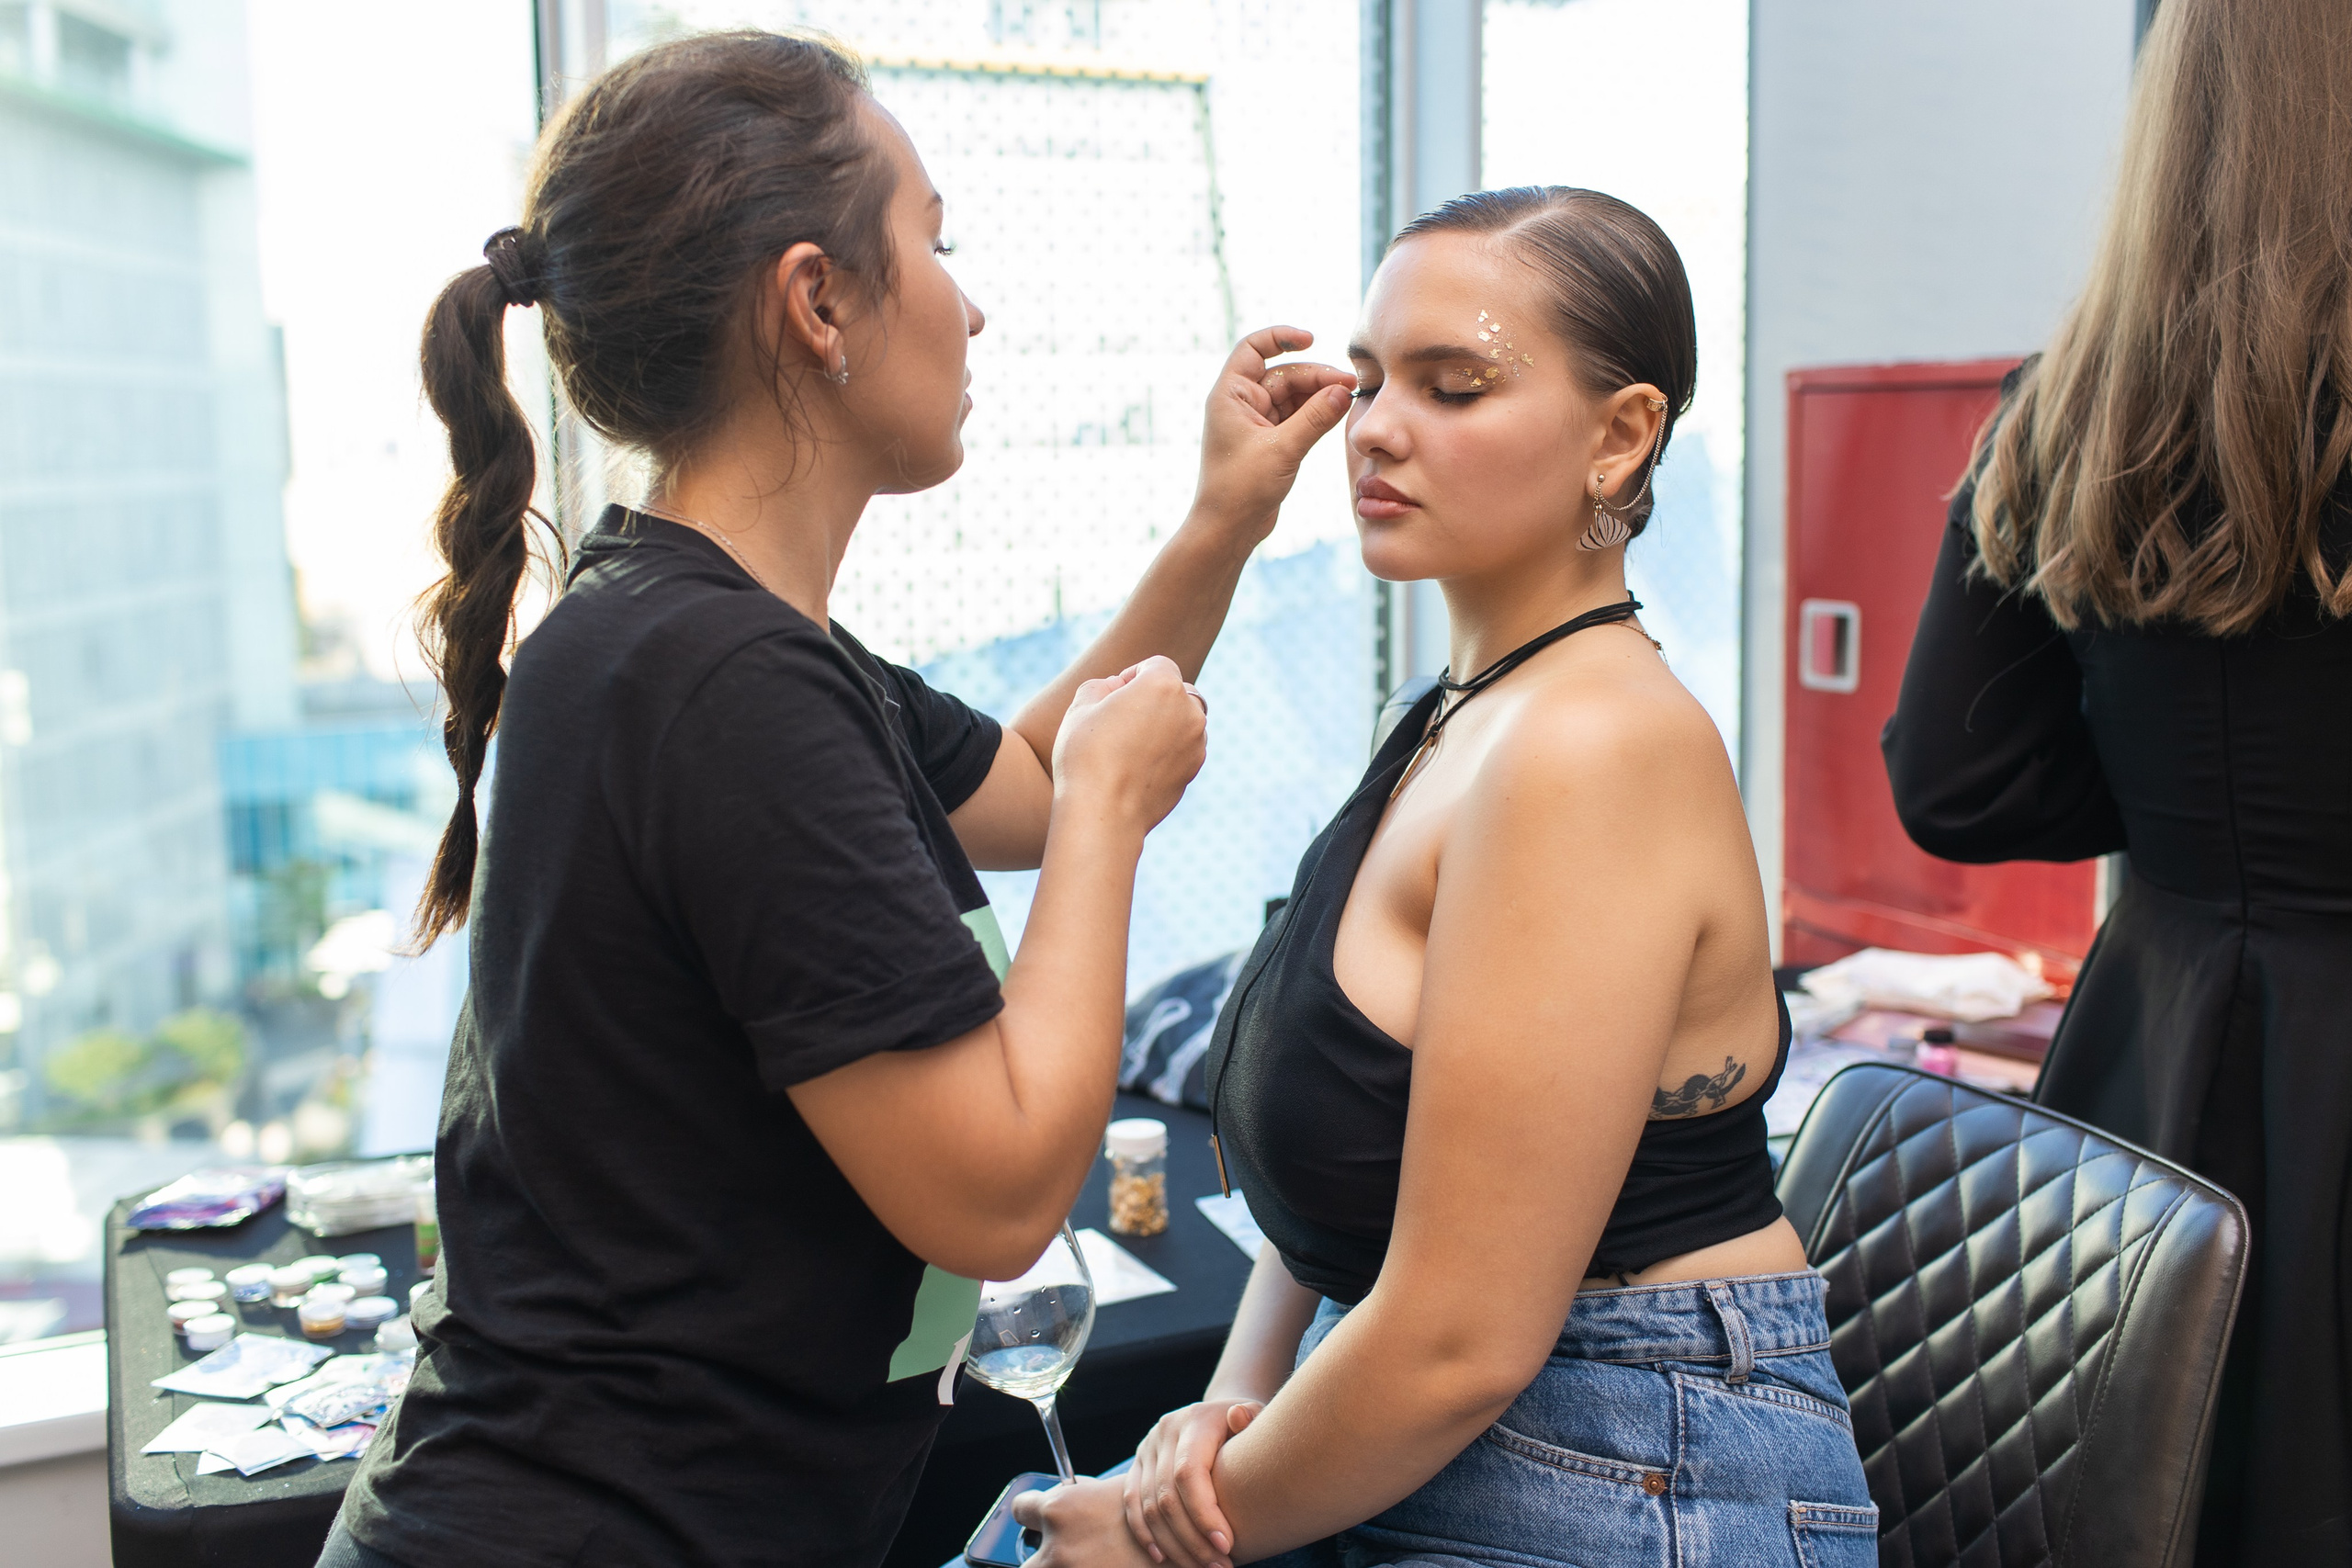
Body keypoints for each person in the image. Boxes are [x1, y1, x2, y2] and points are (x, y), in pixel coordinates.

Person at [317, 31, 1353, 1568]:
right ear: (816, 302)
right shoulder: (717, 684)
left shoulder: (713, 637)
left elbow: (1020, 784)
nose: (970, 304)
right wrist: (1113, 817)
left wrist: (1224, 520)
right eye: (935, 243)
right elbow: (999, 1193)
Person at [1020, 188, 1877, 1568]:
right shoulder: (1455, 713)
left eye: (1453, 386)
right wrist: (1228, 1404)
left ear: (1621, 435)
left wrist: (1154, 1531)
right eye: (1367, 384)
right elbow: (1376, 1170)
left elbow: (1464, 1338)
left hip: (1631, 1456)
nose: (1374, 430)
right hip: (1423, 1404)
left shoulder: (1590, 748)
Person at [1880, 1, 2352, 1561]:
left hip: (2156, 1059)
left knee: (2143, 1496)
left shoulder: (2067, 402)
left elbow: (1957, 784)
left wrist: (2180, 812)